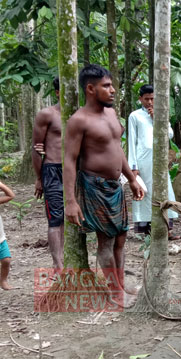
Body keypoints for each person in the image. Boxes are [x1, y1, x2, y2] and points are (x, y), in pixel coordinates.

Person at [64, 64, 145, 307]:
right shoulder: (79, 120)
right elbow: (69, 160)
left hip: (115, 185)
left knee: (121, 238)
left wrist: (131, 179)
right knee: (107, 240)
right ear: (90, 88)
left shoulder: (111, 114)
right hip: (94, 186)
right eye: (106, 86)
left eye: (112, 85)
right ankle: (113, 291)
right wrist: (71, 201)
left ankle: (120, 284)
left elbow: (116, 148)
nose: (112, 91)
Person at [127, 84, 180, 239]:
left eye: (152, 99)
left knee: (165, 191)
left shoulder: (161, 113)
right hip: (142, 160)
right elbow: (132, 140)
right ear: (140, 99)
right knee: (146, 193)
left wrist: (156, 118)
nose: (150, 102)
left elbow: (169, 134)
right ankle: (147, 232)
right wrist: (133, 166)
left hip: (159, 159)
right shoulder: (134, 116)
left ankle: (167, 229)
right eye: (146, 99)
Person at [32, 77, 64, 275]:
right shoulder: (47, 114)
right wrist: (39, 178)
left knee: (73, 218)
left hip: (75, 172)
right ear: (58, 92)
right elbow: (36, 148)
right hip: (52, 170)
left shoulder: (81, 114)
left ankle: (68, 259)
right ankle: (58, 265)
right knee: (55, 220)